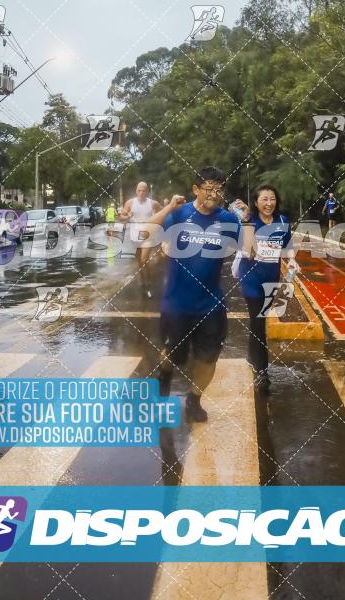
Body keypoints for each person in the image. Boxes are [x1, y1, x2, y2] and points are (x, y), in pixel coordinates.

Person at [147, 167, 242, 422]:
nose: (214, 193)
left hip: (211, 303)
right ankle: (164, 374)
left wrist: (246, 218)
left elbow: (246, 249)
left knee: (208, 357)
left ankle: (194, 399)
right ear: (196, 189)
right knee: (174, 355)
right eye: (209, 187)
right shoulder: (180, 213)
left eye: (219, 188)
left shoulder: (229, 220)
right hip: (176, 303)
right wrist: (168, 208)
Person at [237, 185, 298, 390]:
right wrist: (246, 221)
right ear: (256, 202)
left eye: (272, 199)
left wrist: (291, 261)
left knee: (258, 322)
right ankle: (261, 371)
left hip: (271, 277)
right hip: (250, 276)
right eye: (264, 199)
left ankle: (251, 355)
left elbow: (288, 247)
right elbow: (246, 248)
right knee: (258, 321)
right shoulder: (249, 221)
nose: (269, 203)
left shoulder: (282, 221)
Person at [118, 183, 162, 298]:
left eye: (144, 191)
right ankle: (143, 281)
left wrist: (156, 222)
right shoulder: (130, 203)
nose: (141, 193)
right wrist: (127, 216)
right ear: (136, 191)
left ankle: (148, 284)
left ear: (147, 191)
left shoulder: (153, 203)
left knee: (144, 260)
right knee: (140, 262)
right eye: (139, 190)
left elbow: (164, 214)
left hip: (148, 236)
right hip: (135, 236)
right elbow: (121, 218)